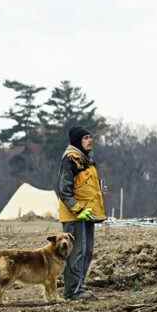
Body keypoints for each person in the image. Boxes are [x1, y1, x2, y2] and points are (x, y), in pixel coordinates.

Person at [56, 126, 106, 300]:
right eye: (85, 138)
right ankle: (72, 291)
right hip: (75, 215)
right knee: (76, 253)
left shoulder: (86, 160)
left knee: (87, 251)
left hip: (88, 214)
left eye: (90, 137)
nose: (90, 140)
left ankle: (80, 286)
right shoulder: (70, 159)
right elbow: (63, 190)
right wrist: (78, 209)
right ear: (77, 141)